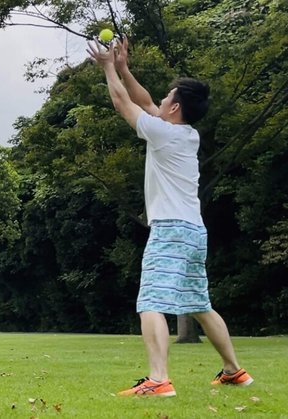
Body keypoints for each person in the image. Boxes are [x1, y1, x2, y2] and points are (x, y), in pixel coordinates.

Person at [87, 36, 253, 397]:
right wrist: (125, 69)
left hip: (172, 230)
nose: (160, 100)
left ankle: (158, 379)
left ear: (175, 108)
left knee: (150, 301)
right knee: (200, 304)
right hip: (194, 231)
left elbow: (123, 103)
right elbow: (144, 101)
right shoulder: (184, 134)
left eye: (167, 97)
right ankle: (233, 371)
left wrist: (108, 69)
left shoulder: (163, 134)